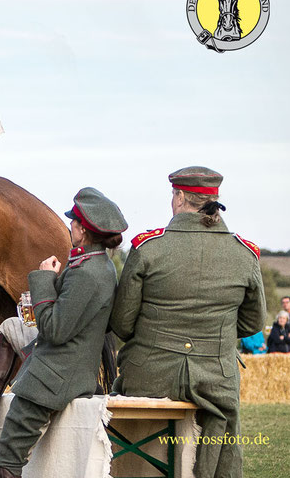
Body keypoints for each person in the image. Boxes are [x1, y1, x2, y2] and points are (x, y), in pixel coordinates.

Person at [110, 166, 265, 478]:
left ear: (179, 197)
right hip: (215, 380)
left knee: (134, 446)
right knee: (222, 443)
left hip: (149, 375)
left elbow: (123, 324)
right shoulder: (245, 254)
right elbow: (253, 323)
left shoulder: (147, 247)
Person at [0, 187, 127, 478]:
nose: (70, 227)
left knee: (7, 464)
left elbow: (54, 330)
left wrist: (44, 280)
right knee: (11, 328)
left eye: (73, 223)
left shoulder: (88, 272)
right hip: (57, 374)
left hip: (51, 382)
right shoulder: (94, 265)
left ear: (83, 230)